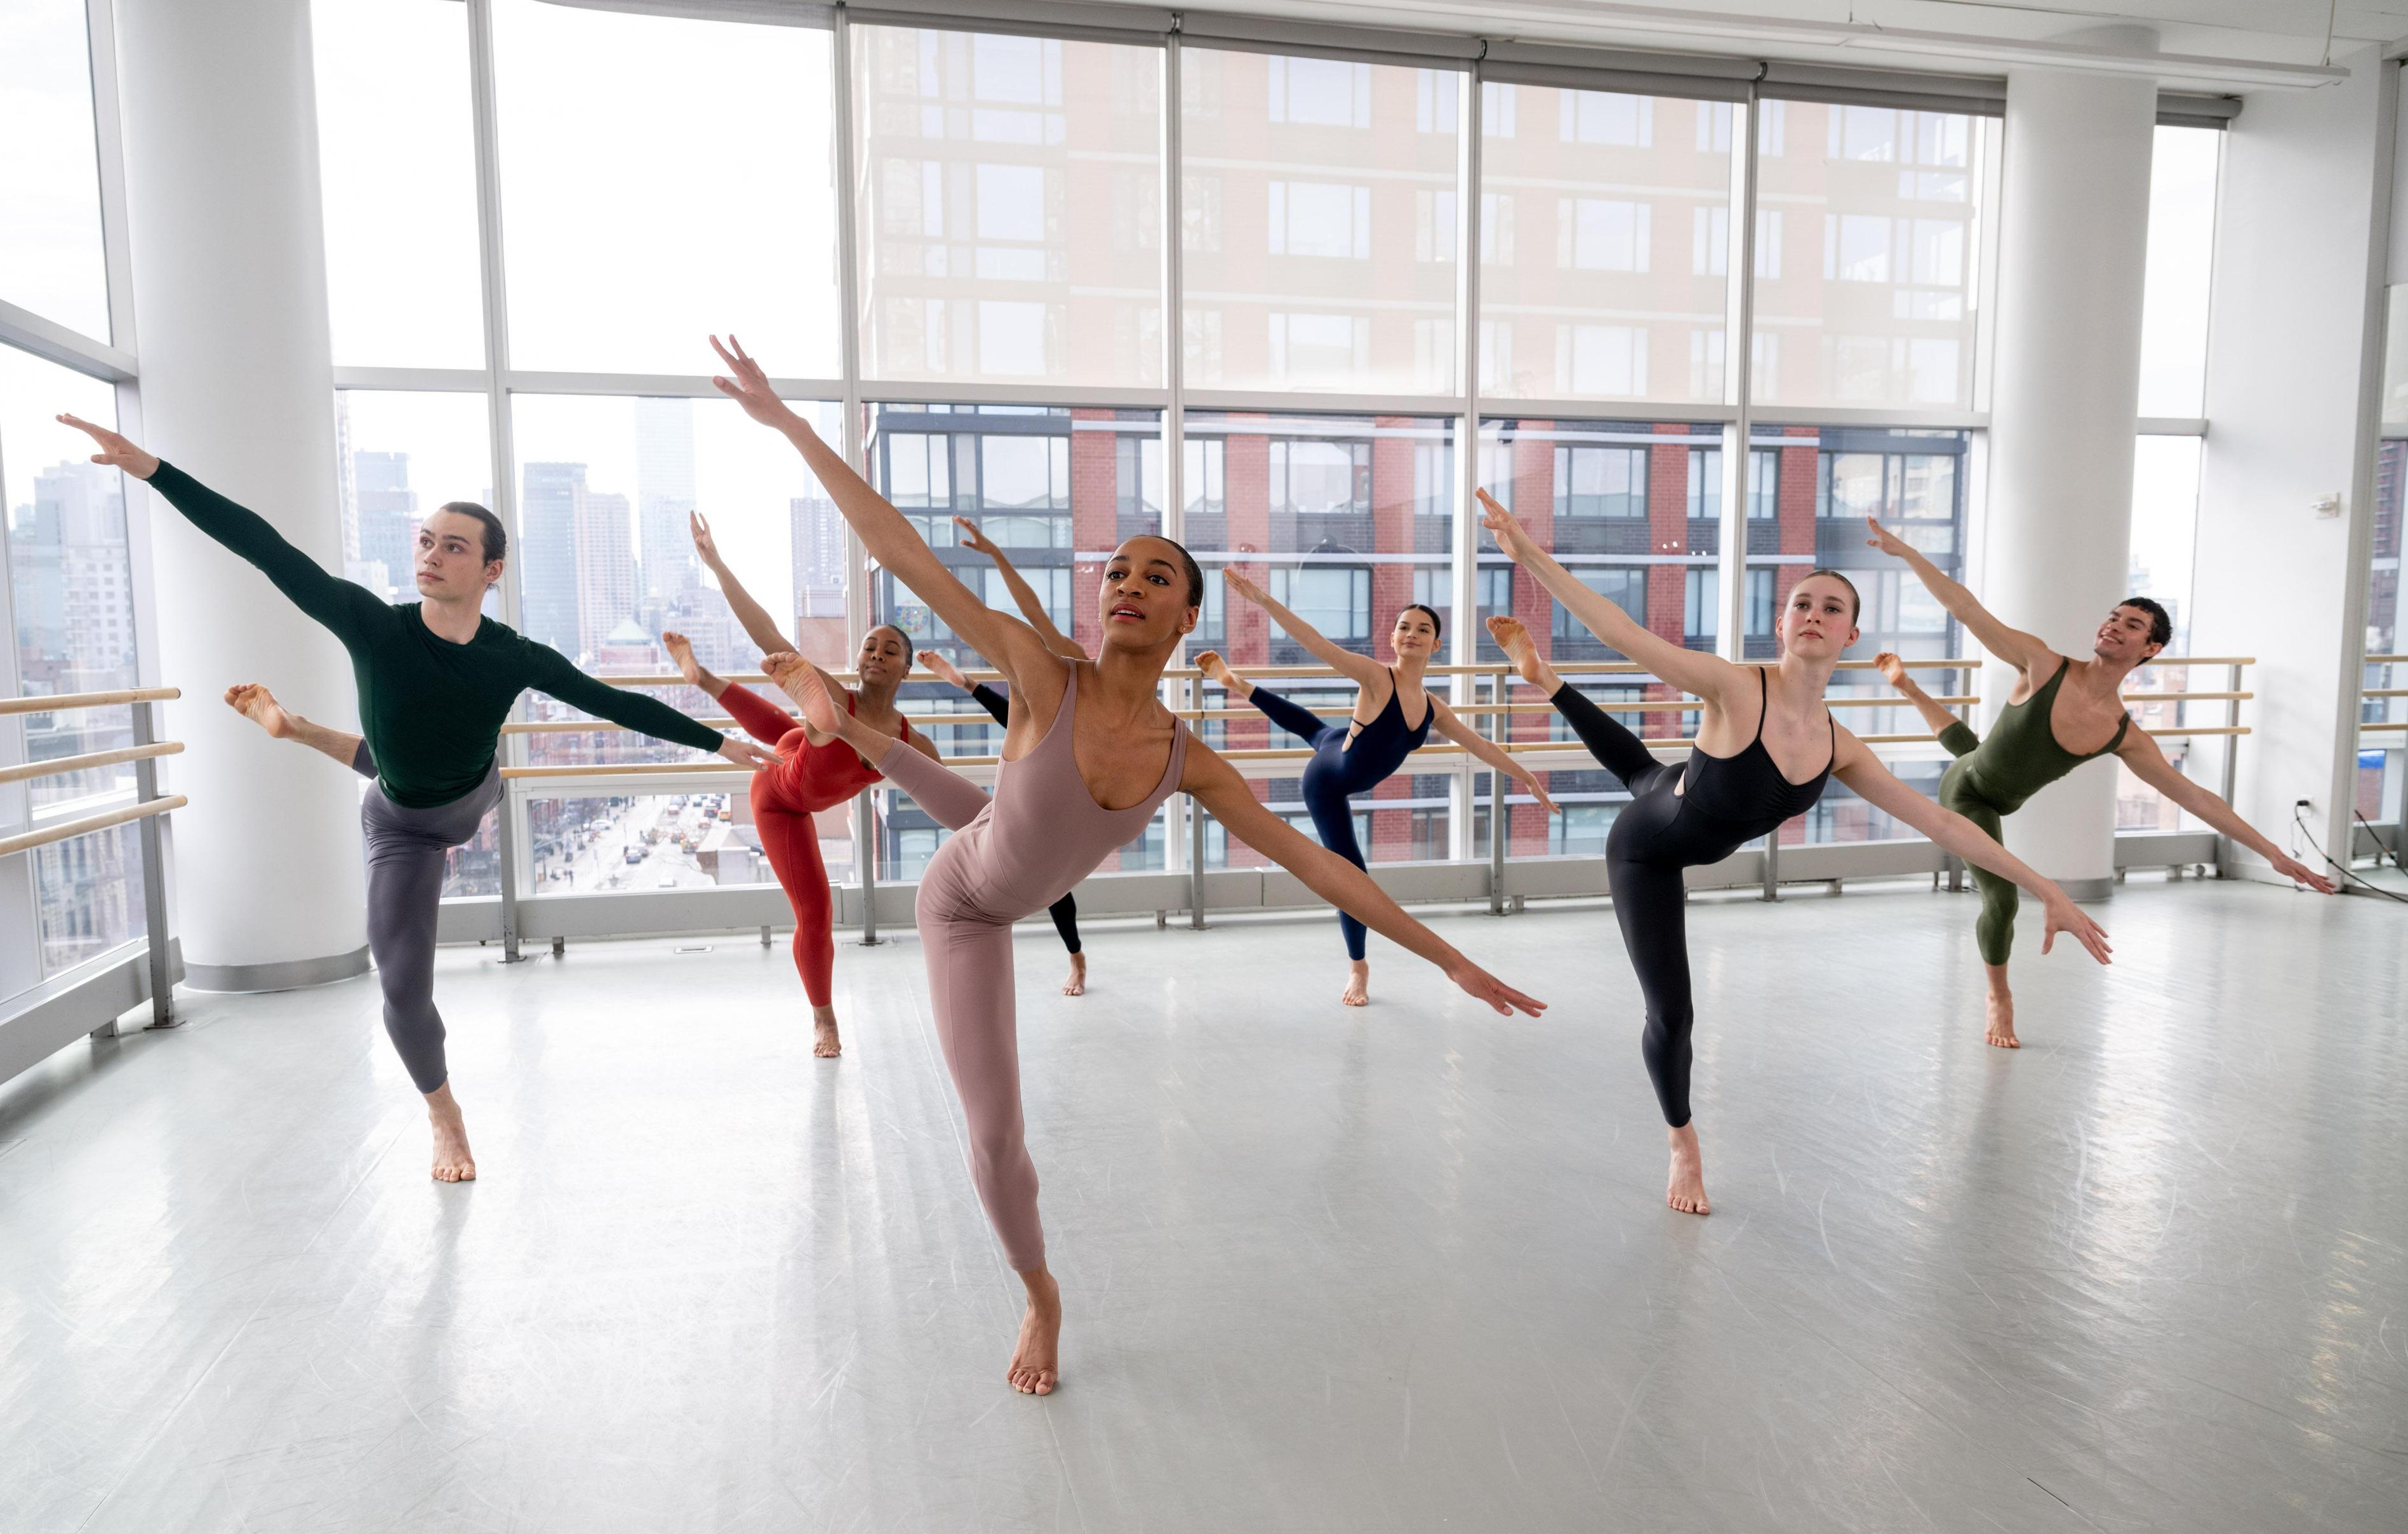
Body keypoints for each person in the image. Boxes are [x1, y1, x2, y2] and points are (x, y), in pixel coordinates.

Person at [712, 334, 1543, 1396]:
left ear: (1189, 616)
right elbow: (902, 547)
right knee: (995, 1136)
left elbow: (1323, 868)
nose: (1130, 586)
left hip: (1017, 839)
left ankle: (868, 740)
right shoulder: (1034, 665)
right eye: (1118, 571)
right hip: (965, 900)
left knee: (991, 816)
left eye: (1159, 577)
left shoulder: (1188, 763)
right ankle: (1040, 1292)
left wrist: (1446, 960)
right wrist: (790, 425)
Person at [62, 414, 776, 1183]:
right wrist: (154, 469)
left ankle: (299, 728)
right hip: (400, 822)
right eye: (426, 541)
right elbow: (266, 548)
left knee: (424, 766)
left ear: (492, 571)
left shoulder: (515, 657)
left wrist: (718, 743)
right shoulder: (374, 627)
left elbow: (611, 702)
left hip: (472, 795)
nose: (432, 556)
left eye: (454, 546)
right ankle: (444, 1114)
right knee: (401, 982)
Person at [1475, 487, 2110, 1217]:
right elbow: (1624, 634)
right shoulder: (1734, 686)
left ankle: (1544, 681)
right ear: (1781, 625)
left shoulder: (1840, 745)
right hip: (1650, 850)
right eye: (1802, 604)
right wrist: (1528, 556)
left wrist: (2044, 886)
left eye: (1831, 607)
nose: (1814, 613)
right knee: (1673, 1013)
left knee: (1647, 772)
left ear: (1851, 636)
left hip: (1686, 791)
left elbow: (1944, 824)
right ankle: (1683, 1140)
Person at [1863, 517, 2336, 1047]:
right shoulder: (2043, 665)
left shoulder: (2122, 733)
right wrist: (1907, 552)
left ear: (2151, 648)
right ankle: (1999, 996)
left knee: (1975, 750)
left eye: (2132, 625)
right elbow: (1966, 609)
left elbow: (2197, 798)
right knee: (2002, 899)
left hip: (1986, 772)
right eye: (2113, 617)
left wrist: (2272, 852)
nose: (2115, 625)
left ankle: (1907, 687)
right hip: (1968, 795)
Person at [1191, 570, 1564, 1005]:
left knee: (1315, 730)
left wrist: (1528, 776)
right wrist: (1261, 599)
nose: (1413, 633)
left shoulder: (1433, 708)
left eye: (1424, 629)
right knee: (1353, 879)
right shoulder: (1375, 676)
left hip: (1339, 744)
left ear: (1436, 645)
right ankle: (1359, 967)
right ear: (1392, 638)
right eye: (1404, 627)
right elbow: (1318, 644)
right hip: (1327, 781)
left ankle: (1236, 683)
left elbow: (1479, 744)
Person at [662, 511, 941, 1055]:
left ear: (907, 670)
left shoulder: (912, 741)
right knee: (815, 915)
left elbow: (948, 796)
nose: (877, 654)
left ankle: (719, 685)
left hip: (802, 746)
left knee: (795, 729)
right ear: (858, 659)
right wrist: (717, 564)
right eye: (869, 646)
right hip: (779, 799)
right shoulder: (841, 692)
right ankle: (824, 1019)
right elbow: (767, 633)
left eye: (891, 650)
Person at [917, 517, 1091, 995]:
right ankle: (982, 933)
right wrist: (962, 679)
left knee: (1057, 891)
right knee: (997, 849)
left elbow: (1034, 613)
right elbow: (1012, 715)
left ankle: (1076, 960)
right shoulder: (1041, 684)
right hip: (1033, 791)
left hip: (1072, 800)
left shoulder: (1083, 676)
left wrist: (996, 556)